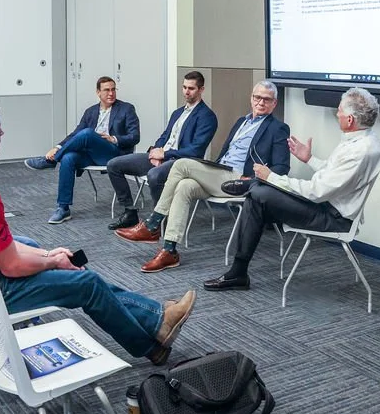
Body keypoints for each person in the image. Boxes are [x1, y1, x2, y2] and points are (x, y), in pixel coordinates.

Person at [0, 97, 197, 365]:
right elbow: (10, 266)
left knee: (56, 260)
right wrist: (52, 260)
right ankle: (151, 346)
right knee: (88, 283)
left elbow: (3, 245)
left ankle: (157, 320)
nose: (3, 133)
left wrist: (49, 254)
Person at [204, 87, 380, 291]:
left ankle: (238, 271)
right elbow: (335, 176)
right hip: (326, 205)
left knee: (258, 194)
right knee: (258, 193)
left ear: (350, 120)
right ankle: (238, 270)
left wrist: (272, 177)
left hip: (332, 217)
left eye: (339, 111)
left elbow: (316, 191)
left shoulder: (360, 151)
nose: (337, 114)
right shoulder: (362, 141)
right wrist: (309, 159)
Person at [116, 81, 291, 273]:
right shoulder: (242, 121)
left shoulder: (278, 128)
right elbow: (226, 153)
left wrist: (255, 179)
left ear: (274, 103)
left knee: (181, 164)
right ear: (251, 98)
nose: (260, 102)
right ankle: (169, 251)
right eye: (257, 97)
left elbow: (282, 168)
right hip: (219, 172)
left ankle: (152, 224)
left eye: (266, 99)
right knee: (184, 186)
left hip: (239, 180)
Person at [106, 71, 218, 230]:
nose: (186, 91)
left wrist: (165, 154)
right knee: (113, 165)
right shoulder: (178, 113)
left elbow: (195, 150)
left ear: (201, 89)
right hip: (162, 156)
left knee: (154, 175)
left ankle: (158, 222)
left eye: (191, 88)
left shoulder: (207, 116)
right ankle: (129, 212)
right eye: (184, 87)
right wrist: (155, 150)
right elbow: (165, 135)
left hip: (181, 162)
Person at [24, 76, 141, 224]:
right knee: (69, 158)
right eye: (106, 90)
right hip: (92, 154)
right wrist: (57, 147)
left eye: (113, 89)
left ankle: (52, 161)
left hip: (113, 154)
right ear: (98, 92)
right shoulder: (90, 112)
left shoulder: (126, 109)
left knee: (87, 134)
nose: (111, 93)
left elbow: (135, 136)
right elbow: (75, 134)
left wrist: (114, 138)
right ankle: (63, 208)